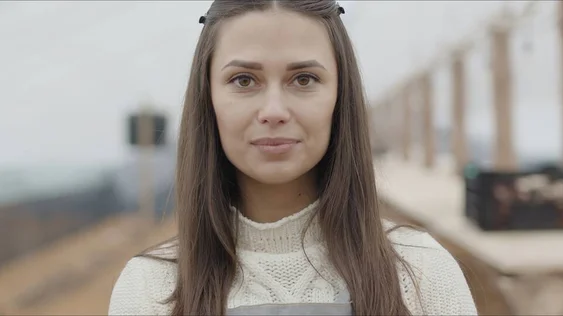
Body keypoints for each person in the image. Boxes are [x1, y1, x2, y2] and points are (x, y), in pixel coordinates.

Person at [108, 0, 478, 315]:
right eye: (243, 80)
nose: (274, 110)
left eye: (303, 79)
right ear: (208, 98)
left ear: (340, 97)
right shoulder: (149, 290)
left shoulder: (421, 271)